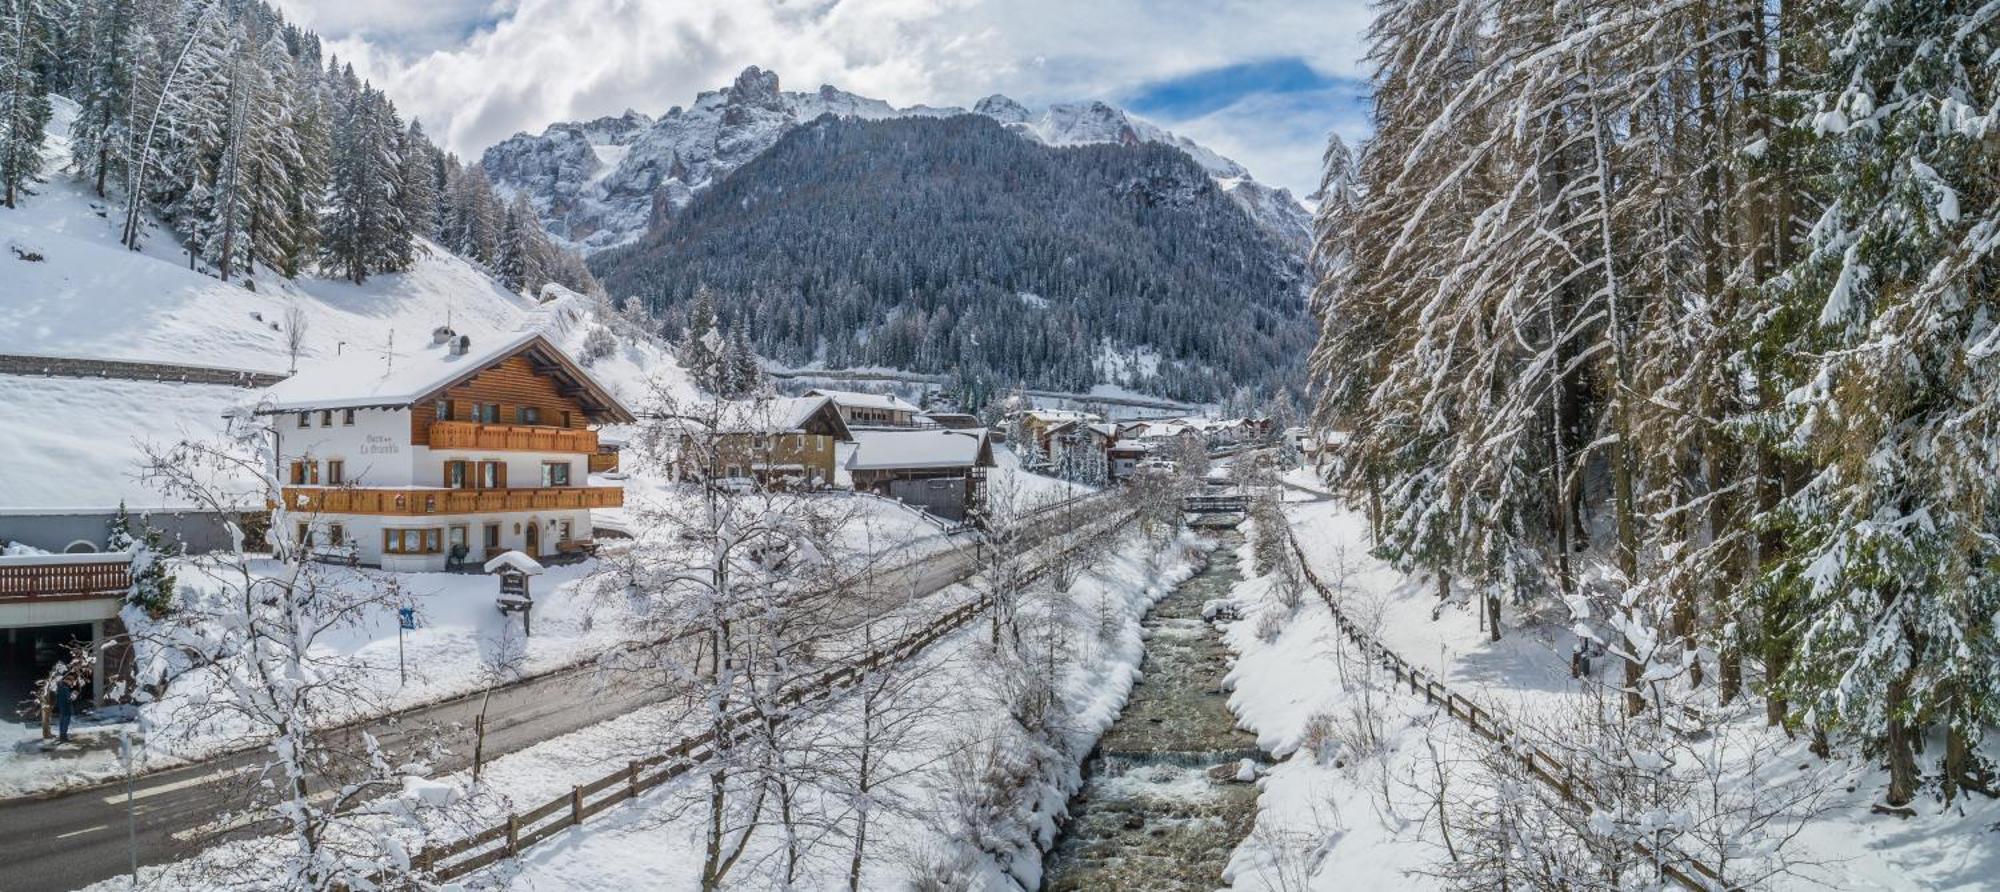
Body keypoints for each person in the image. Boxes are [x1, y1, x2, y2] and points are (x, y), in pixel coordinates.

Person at [54, 673, 76, 744]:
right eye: (71, 681)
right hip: (66, 707)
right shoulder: (65, 688)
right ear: (67, 680)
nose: (71, 683)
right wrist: (73, 696)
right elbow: (68, 699)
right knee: (65, 722)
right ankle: (64, 737)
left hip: (62, 707)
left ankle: (62, 736)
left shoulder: (60, 686)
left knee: (62, 722)